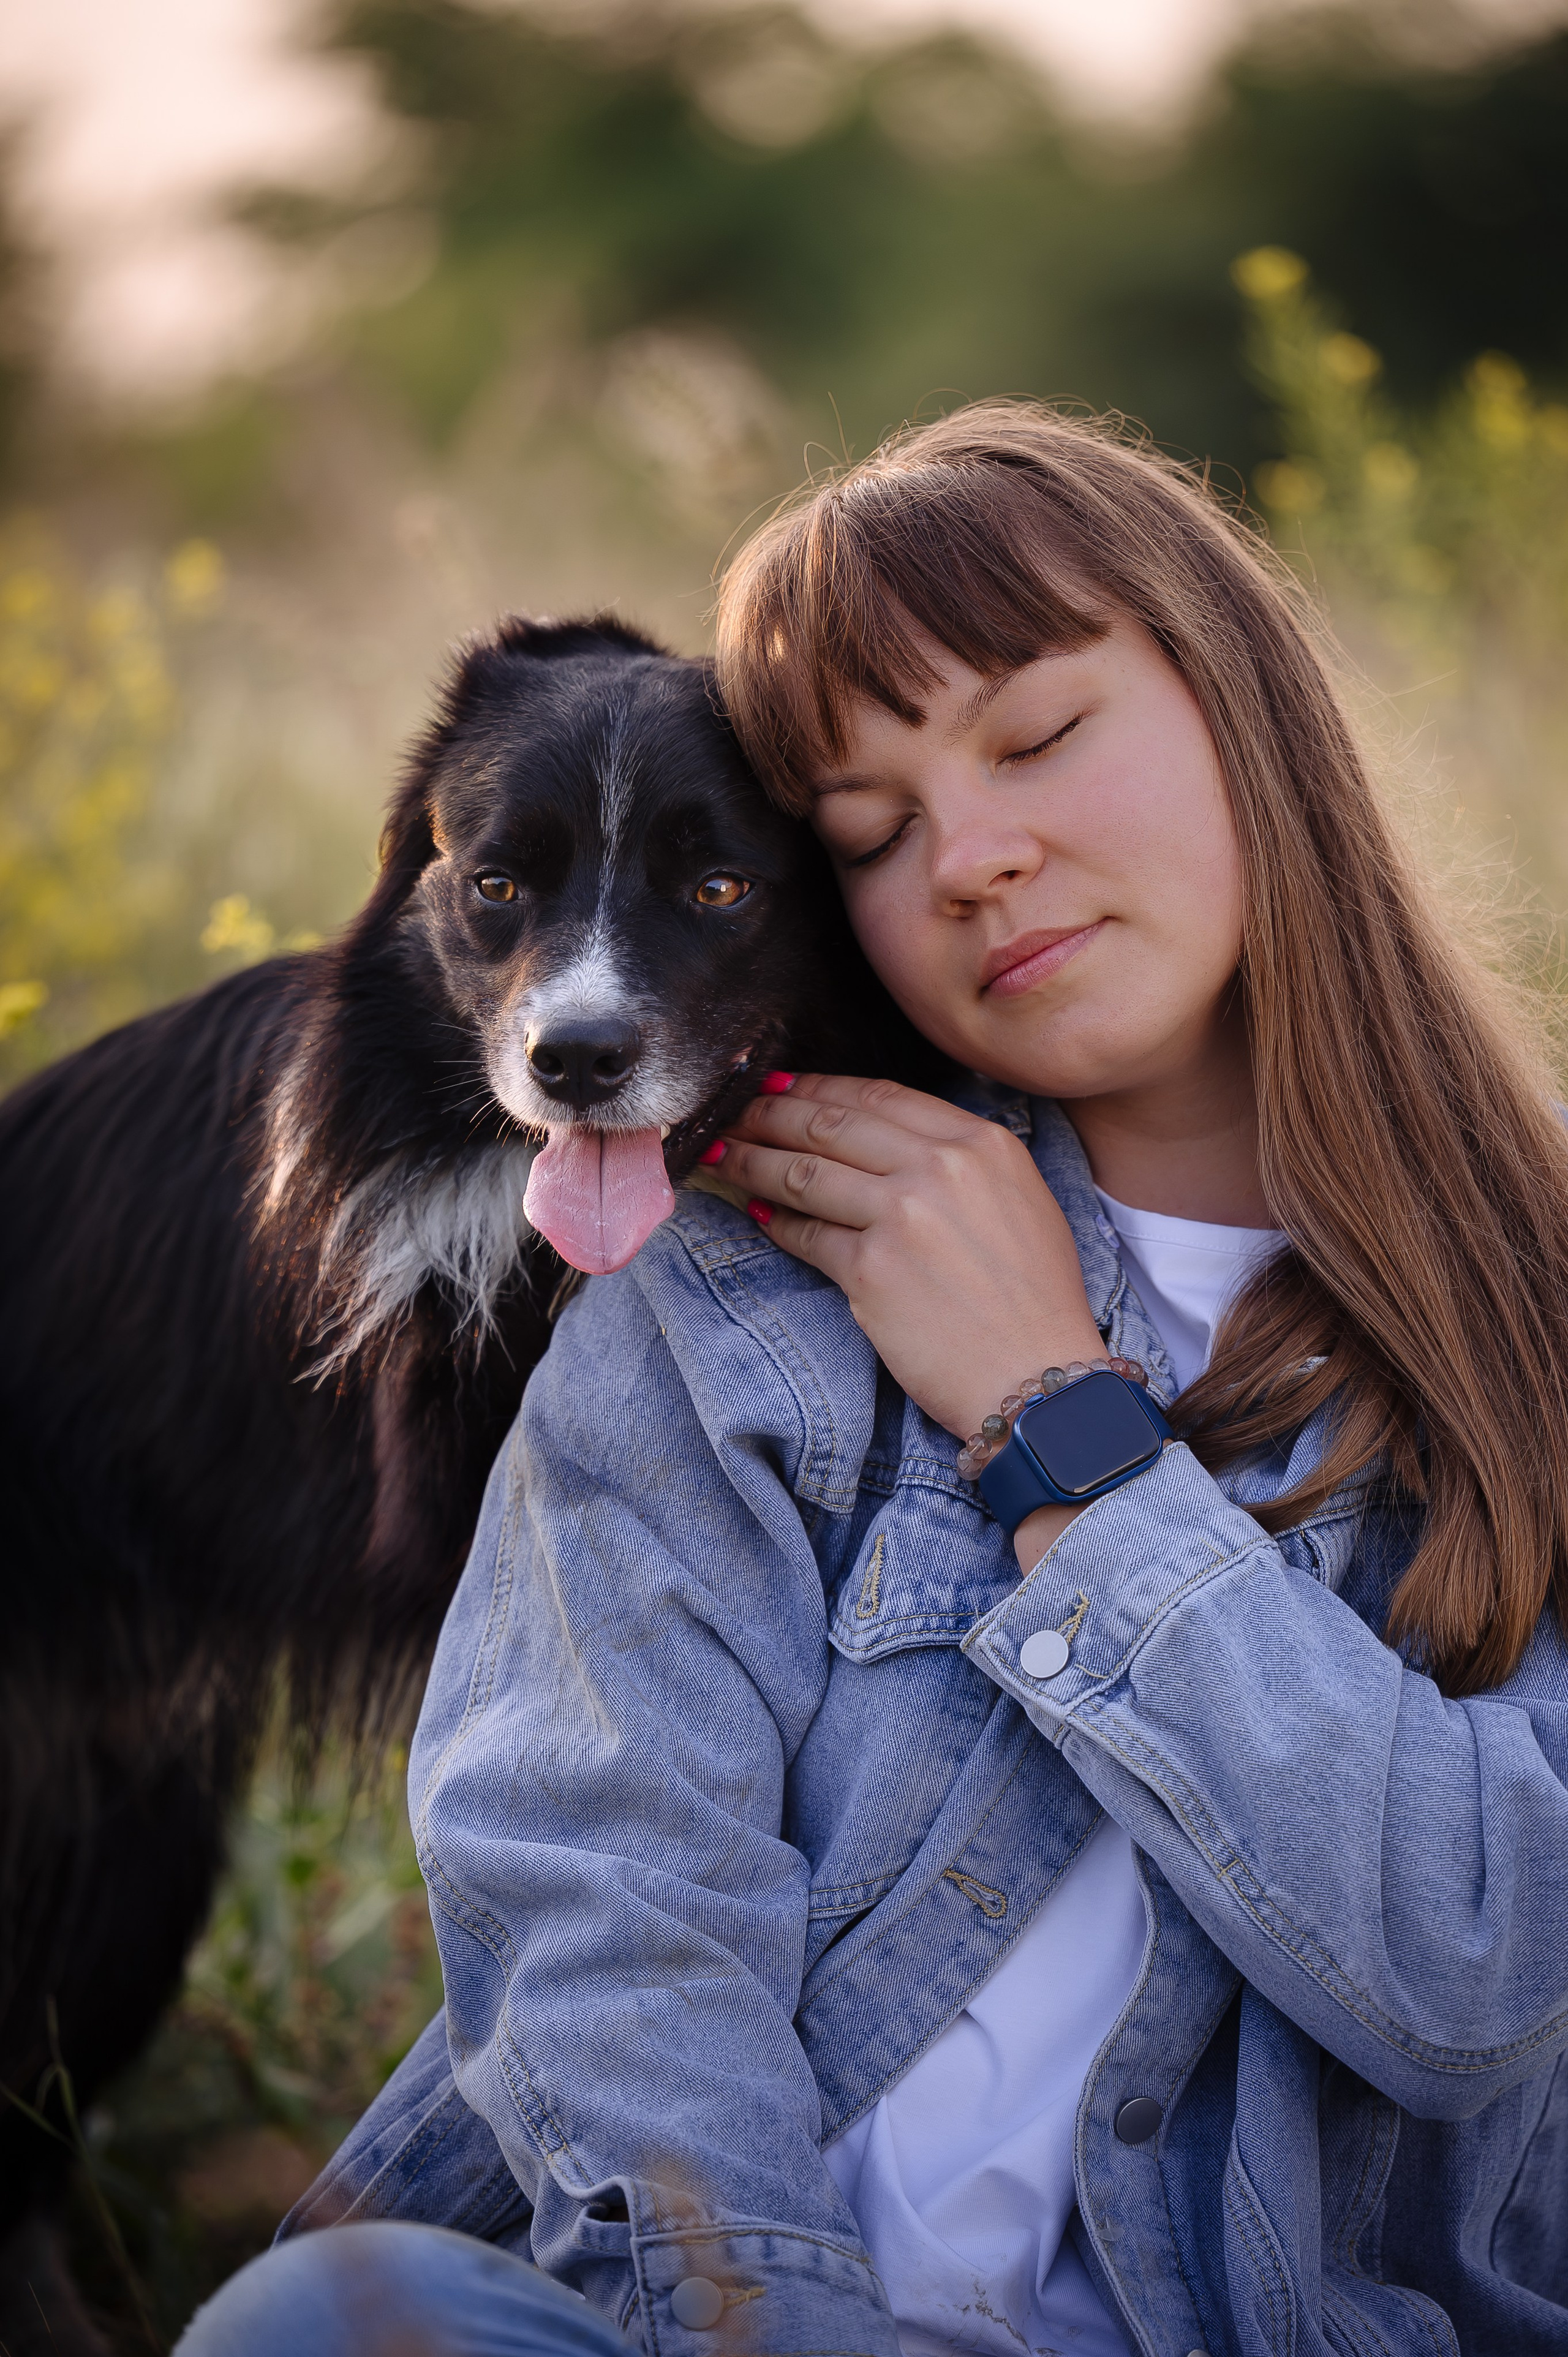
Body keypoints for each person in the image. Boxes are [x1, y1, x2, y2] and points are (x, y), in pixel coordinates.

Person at [179, 404, 1568, 2357]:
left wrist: (1057, 1417)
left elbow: (1482, 1960)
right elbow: (604, 1913)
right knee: (315, 2324)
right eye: (872, 834)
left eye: (1039, 736)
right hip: (742, 2325)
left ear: (1244, 698)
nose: (978, 859)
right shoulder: (728, 1302)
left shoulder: (1536, 1311)